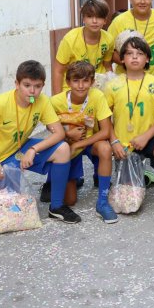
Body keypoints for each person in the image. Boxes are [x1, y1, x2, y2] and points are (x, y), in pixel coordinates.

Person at [0, 61, 81, 223]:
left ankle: (56, 206)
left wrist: (33, 149)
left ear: (43, 86)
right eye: (27, 85)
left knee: (62, 149)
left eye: (37, 86)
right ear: (17, 84)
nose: (32, 91)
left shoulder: (41, 101)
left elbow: (59, 133)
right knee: (2, 214)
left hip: (19, 151)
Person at [104, 36, 154, 220]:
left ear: (147, 58)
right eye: (129, 53)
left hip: (149, 138)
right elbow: (104, 119)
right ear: (122, 59)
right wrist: (114, 141)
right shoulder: (113, 85)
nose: (135, 57)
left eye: (140, 53)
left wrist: (146, 136)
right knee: (131, 202)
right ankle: (110, 190)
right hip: (122, 142)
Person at [49, 61, 117, 223]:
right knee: (70, 200)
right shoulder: (55, 102)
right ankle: (65, 179)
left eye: (85, 81)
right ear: (68, 83)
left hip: (87, 143)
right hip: (67, 146)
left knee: (105, 148)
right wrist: (68, 134)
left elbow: (106, 131)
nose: (80, 85)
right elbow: (50, 128)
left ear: (92, 82)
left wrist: (78, 144)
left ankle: (102, 201)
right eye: (76, 81)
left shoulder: (97, 96)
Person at [52, 0, 114, 94]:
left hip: (98, 89)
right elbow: (58, 71)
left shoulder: (108, 39)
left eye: (99, 17)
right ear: (84, 19)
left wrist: (111, 89)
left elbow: (107, 67)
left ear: (105, 20)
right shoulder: (70, 39)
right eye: (90, 16)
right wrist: (57, 99)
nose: (94, 21)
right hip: (73, 90)